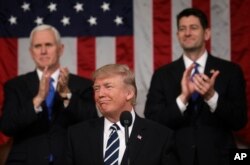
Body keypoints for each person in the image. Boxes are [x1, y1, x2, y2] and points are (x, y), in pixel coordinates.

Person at [144, 8, 247, 165]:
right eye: (182, 29)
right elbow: (153, 121)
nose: (187, 33)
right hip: (175, 159)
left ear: (207, 33)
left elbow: (239, 121)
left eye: (193, 27)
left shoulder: (230, 71)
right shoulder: (162, 75)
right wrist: (182, 99)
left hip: (220, 159)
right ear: (177, 35)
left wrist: (212, 97)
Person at [0, 24, 98, 165]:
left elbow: (91, 122)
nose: (43, 51)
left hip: (70, 160)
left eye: (48, 45)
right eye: (38, 46)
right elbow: (7, 127)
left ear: (61, 49)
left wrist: (66, 95)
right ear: (31, 51)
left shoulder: (82, 85)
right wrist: (38, 99)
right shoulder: (15, 86)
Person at [66, 64, 176, 165]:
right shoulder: (77, 135)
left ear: (129, 93)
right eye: (97, 88)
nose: (100, 94)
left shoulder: (160, 137)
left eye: (108, 87)